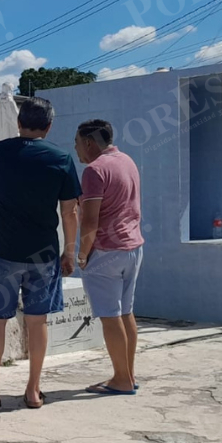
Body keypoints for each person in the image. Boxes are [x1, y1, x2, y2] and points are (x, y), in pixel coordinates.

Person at [0, 97, 81, 410]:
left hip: (3, 250)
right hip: (44, 253)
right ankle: (33, 390)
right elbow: (70, 211)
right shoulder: (61, 158)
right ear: (49, 126)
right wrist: (70, 251)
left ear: (18, 122)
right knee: (38, 321)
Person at [74, 119, 144, 396]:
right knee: (126, 313)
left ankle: (122, 379)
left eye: (77, 143)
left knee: (110, 317)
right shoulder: (127, 161)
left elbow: (90, 221)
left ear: (88, 143)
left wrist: (82, 255)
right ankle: (127, 374)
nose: (76, 149)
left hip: (106, 251)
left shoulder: (94, 170)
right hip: (133, 247)